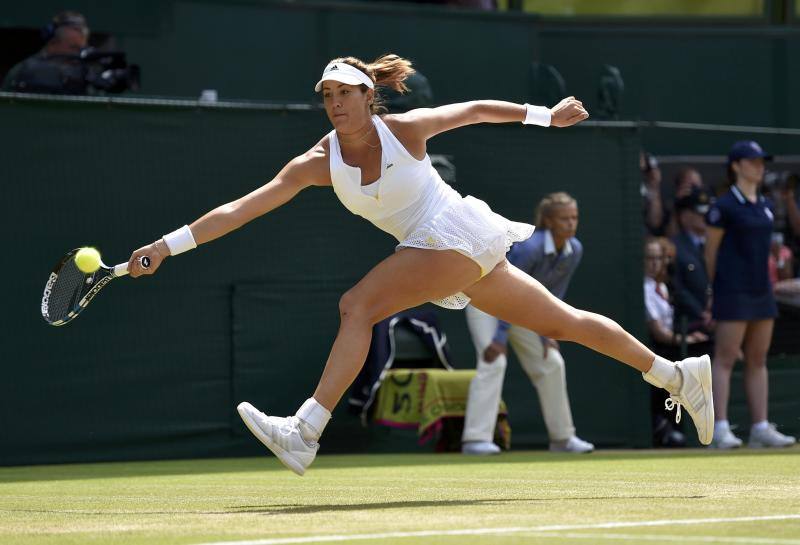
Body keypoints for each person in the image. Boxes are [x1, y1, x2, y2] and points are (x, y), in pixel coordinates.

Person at [126, 54, 713, 475]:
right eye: (328, 96)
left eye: (345, 94)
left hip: (453, 230)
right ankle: (676, 374)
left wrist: (546, 116)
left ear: (368, 96)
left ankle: (304, 431)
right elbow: (240, 209)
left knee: (357, 305)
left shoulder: (403, 130)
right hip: (442, 248)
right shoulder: (317, 162)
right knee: (564, 321)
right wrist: (166, 245)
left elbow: (474, 110)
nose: (336, 104)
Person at [461, 192, 593, 455]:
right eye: (564, 218)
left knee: (552, 362)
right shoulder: (531, 248)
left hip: (520, 308)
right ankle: (475, 439)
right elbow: (505, 294)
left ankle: (563, 438)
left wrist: (548, 332)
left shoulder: (574, 250)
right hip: (487, 304)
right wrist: (499, 339)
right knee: (494, 361)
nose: (571, 223)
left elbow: (554, 295)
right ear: (549, 221)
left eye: (574, 217)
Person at [705, 140, 796, 449]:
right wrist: (718, 287)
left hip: (761, 290)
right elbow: (711, 253)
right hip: (733, 290)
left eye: (761, 162)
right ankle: (719, 428)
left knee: (758, 358)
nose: (759, 167)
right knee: (726, 357)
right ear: (736, 166)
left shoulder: (766, 205)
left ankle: (760, 427)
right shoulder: (723, 207)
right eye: (753, 161)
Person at [644, 237, 708, 447]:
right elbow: (659, 332)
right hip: (657, 350)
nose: (654, 263)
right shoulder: (644, 288)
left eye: (658, 258)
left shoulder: (662, 287)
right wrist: (687, 339)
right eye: (649, 258)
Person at [2, 11, 90, 94]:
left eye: (82, 48)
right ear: (53, 43)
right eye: (73, 47)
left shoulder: (85, 72)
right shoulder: (24, 70)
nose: (79, 53)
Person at [671, 186, 714, 340]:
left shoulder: (716, 244)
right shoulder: (674, 246)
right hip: (689, 326)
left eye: (707, 213)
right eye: (700, 213)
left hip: (719, 321)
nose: (705, 217)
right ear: (684, 216)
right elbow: (677, 288)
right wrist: (702, 314)